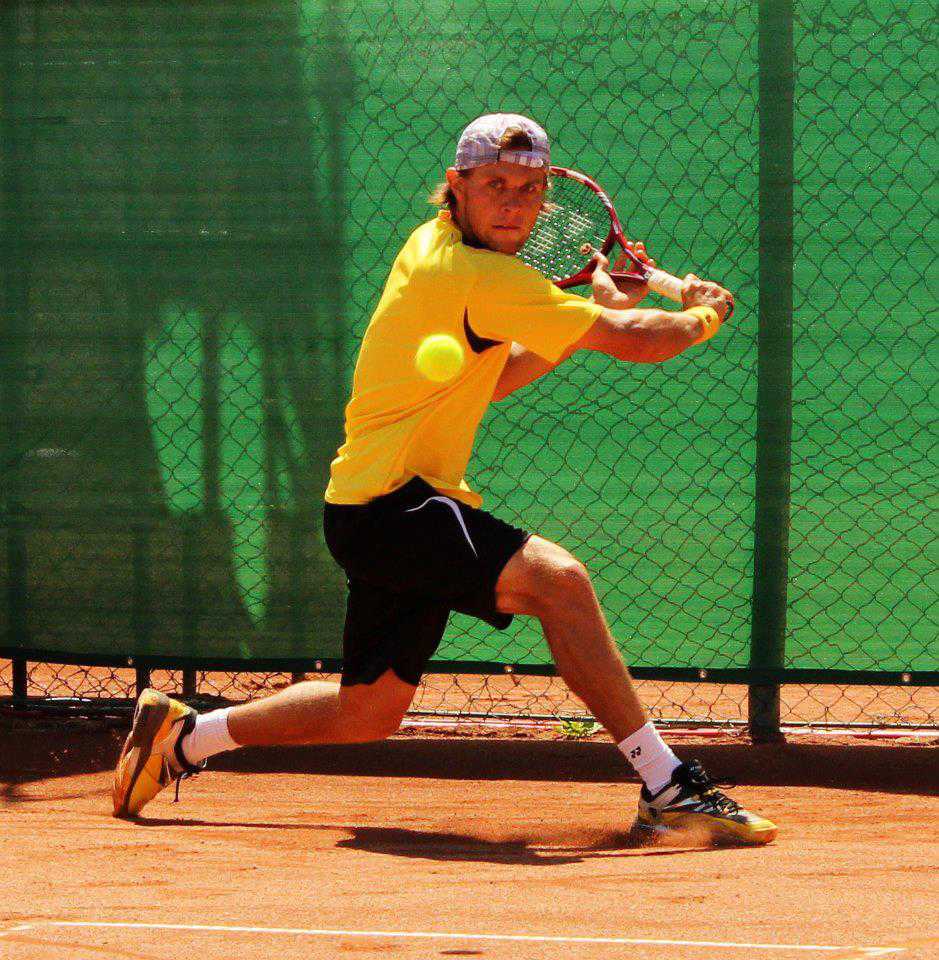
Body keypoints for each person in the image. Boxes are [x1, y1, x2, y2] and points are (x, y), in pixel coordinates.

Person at [113, 113, 776, 845]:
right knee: (559, 582)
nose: (513, 203)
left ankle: (183, 738)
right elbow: (636, 343)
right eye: (495, 184)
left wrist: (586, 314)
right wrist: (702, 315)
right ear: (456, 185)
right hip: (392, 505)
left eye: (528, 189)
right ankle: (666, 784)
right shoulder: (475, 274)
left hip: (372, 508)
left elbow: (491, 379)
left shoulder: (438, 249)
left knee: (366, 712)